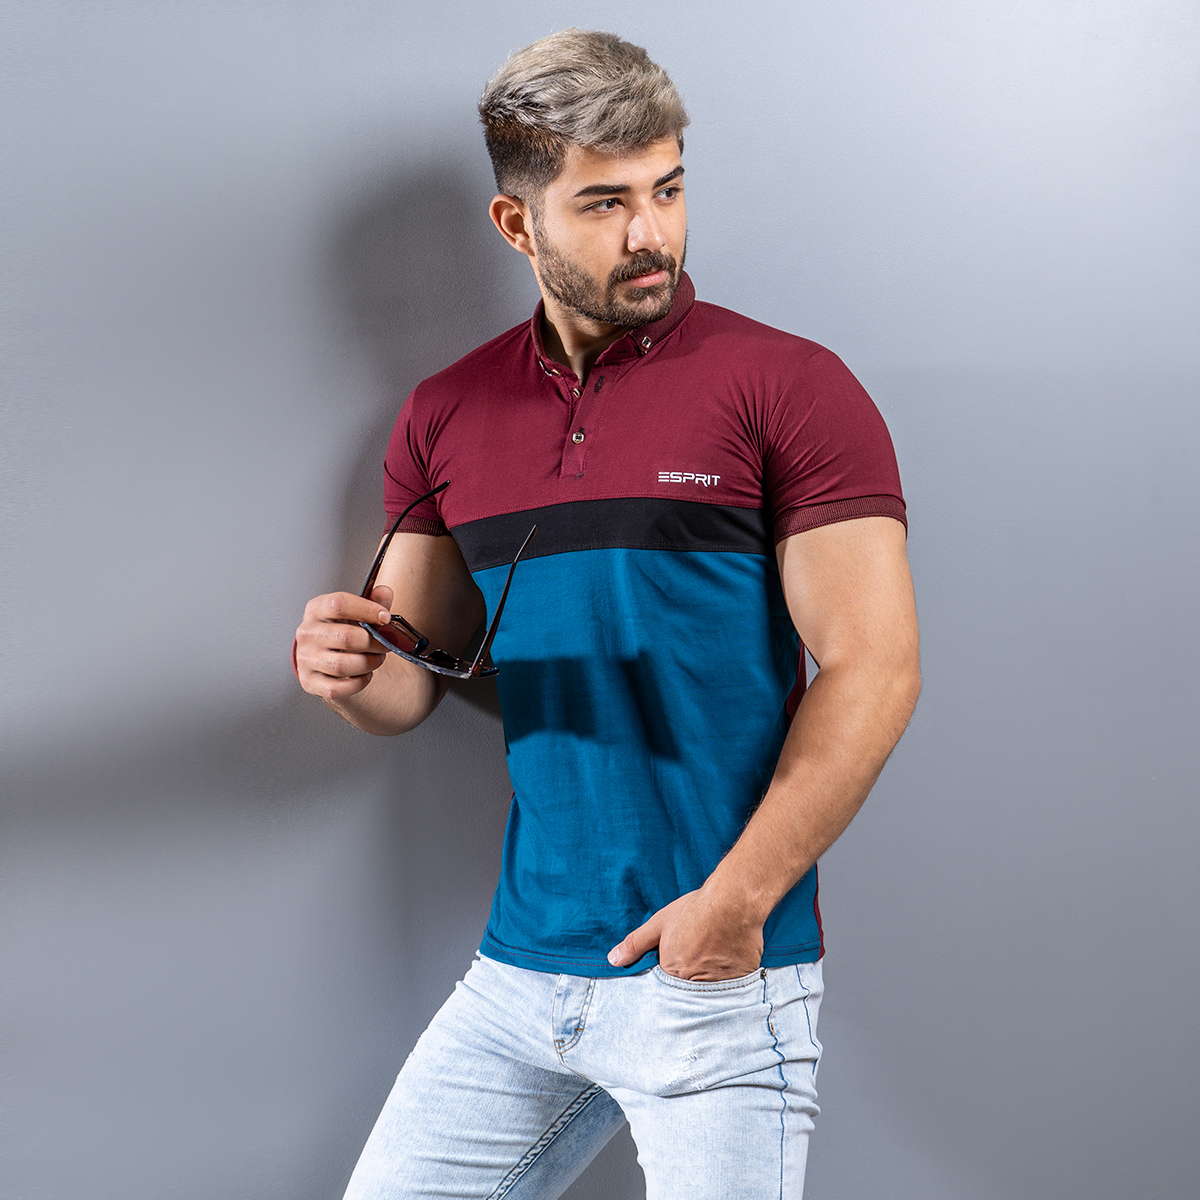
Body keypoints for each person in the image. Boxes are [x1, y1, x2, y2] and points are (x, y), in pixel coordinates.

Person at [294, 28, 920, 1200]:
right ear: (517, 224)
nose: (651, 234)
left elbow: (874, 666)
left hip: (713, 973)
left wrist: (734, 908)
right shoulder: (444, 416)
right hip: (521, 971)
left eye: (667, 190)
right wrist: (347, 672)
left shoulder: (790, 388)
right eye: (605, 202)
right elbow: (414, 676)